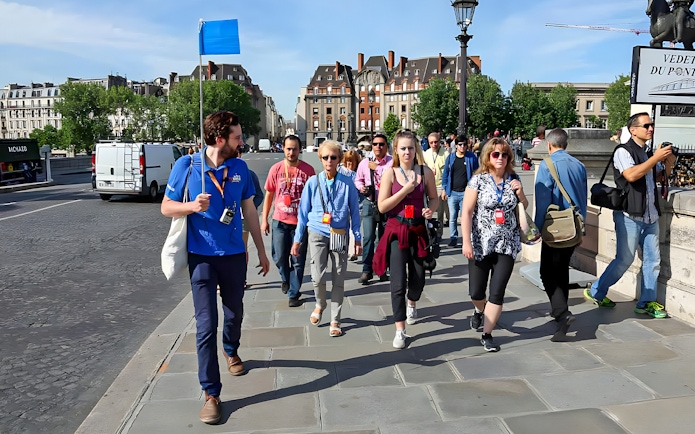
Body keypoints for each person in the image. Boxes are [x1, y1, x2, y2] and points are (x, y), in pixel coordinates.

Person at [161, 111, 270, 425]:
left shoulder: (240, 168)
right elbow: (166, 207)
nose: (241, 141)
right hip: (201, 257)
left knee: (234, 312)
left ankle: (231, 348)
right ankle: (211, 393)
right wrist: (192, 206)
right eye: (236, 136)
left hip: (235, 254)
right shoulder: (188, 165)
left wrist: (261, 252)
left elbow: (249, 209)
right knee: (205, 326)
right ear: (219, 138)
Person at [585, 112, 673, 318]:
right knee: (624, 260)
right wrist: (654, 159)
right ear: (633, 130)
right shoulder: (622, 151)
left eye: (652, 125)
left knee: (653, 261)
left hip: (651, 215)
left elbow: (660, 176)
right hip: (629, 215)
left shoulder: (648, 152)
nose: (650, 129)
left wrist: (668, 161)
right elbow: (632, 175)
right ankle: (596, 291)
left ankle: (647, 302)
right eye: (646, 126)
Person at [373, 130, 439, 349]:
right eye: (403, 148)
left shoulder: (425, 172)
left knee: (418, 279)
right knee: (398, 282)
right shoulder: (390, 174)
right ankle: (400, 330)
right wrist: (405, 190)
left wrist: (431, 209)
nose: (407, 152)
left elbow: (434, 198)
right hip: (396, 229)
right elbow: (382, 206)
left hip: (418, 230)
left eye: (411, 148)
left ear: (416, 149)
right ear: (396, 150)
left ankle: (412, 302)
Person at [461, 138, 527, 352]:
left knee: (497, 292)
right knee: (476, 293)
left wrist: (520, 193)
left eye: (504, 154)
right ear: (488, 157)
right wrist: (466, 242)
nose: (500, 158)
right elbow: (467, 212)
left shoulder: (514, 179)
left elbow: (523, 207)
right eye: (495, 154)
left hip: (507, 243)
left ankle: (487, 334)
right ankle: (479, 311)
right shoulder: (478, 181)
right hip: (481, 243)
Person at [291, 141, 362, 337]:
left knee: (338, 277)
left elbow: (354, 212)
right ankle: (320, 303)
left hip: (339, 232)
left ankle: (335, 319)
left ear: (339, 159)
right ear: (320, 158)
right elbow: (303, 213)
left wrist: (357, 237)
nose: (329, 161)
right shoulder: (313, 182)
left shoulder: (347, 183)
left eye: (333, 157)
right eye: (325, 157)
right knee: (317, 276)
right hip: (317, 231)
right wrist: (297, 240)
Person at [534, 129, 588, 341]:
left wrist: (537, 229)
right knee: (561, 270)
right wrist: (582, 228)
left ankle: (561, 312)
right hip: (573, 226)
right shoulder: (579, 165)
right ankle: (560, 312)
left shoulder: (547, 165)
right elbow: (583, 199)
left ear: (549, 145)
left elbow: (543, 202)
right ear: (566, 144)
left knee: (547, 272)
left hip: (555, 226)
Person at [261, 134, 315, 307]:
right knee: (279, 256)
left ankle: (294, 293)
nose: (291, 152)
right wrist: (264, 220)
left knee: (298, 260)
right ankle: (285, 278)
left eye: (295, 149)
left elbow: (313, 198)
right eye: (288, 148)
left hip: (300, 223)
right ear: (283, 149)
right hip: (279, 221)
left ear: (300, 150)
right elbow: (269, 195)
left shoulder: (308, 170)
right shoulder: (275, 169)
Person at [354, 133, 393, 284]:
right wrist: (361, 187)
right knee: (368, 237)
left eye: (381, 144)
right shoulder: (365, 162)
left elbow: (393, 178)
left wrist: (376, 169)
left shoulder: (391, 163)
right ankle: (366, 270)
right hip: (369, 203)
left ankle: (382, 269)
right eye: (375, 144)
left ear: (386, 146)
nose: (378, 147)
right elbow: (358, 179)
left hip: (386, 204)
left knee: (383, 239)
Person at [441, 135, 479, 247]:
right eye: (460, 144)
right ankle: (453, 238)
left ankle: (466, 238)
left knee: (465, 217)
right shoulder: (451, 158)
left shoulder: (471, 157)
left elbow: (477, 174)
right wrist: (444, 188)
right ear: (456, 146)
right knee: (452, 217)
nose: (463, 147)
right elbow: (446, 174)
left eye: (465, 144)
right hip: (452, 192)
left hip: (466, 193)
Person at [423, 132, 449, 242]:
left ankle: (439, 234)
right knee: (427, 211)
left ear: (440, 141)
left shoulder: (446, 154)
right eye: (431, 142)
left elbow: (448, 171)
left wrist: (445, 188)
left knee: (440, 212)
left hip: (440, 186)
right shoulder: (426, 154)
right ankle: (428, 233)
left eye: (436, 142)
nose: (434, 144)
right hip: (428, 185)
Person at [341, 149, 362, 261]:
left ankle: (352, 251)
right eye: (348, 161)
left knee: (354, 228)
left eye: (352, 161)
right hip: (343, 205)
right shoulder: (341, 171)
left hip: (357, 205)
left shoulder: (358, 173)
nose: (350, 164)